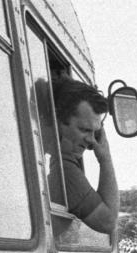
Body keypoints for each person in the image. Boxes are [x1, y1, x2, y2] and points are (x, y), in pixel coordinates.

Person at [51, 77, 119, 235]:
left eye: (95, 132)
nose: (91, 141)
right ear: (57, 122)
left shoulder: (55, 163)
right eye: (84, 129)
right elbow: (108, 223)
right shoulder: (64, 168)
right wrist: (105, 158)